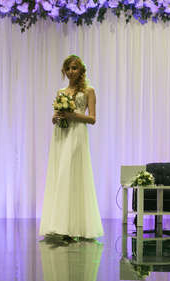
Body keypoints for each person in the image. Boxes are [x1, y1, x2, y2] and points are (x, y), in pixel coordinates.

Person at [39, 55, 103, 241]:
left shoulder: (89, 91)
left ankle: (75, 226)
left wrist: (73, 115)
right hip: (61, 134)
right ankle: (60, 225)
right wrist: (56, 117)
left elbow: (92, 119)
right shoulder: (61, 92)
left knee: (73, 175)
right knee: (61, 176)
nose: (70, 71)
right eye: (67, 68)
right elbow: (55, 116)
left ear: (81, 70)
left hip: (77, 135)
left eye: (74, 68)